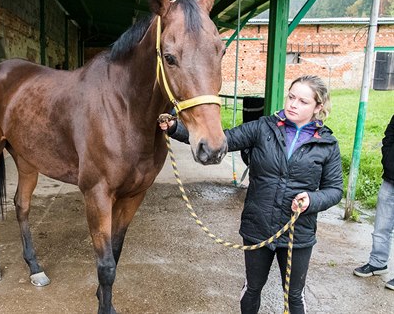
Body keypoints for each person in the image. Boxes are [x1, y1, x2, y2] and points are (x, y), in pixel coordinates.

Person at [159, 75, 343, 314]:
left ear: (318, 107)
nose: (293, 104)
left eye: (303, 101)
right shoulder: (262, 127)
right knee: (253, 287)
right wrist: (175, 129)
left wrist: (312, 199)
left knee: (295, 296)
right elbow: (223, 139)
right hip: (258, 226)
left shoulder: (327, 144)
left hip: (298, 232)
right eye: (291, 97)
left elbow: (335, 190)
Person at [353, 114, 394, 290]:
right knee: (381, 227)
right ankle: (378, 263)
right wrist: (388, 160)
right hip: (390, 179)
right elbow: (389, 135)